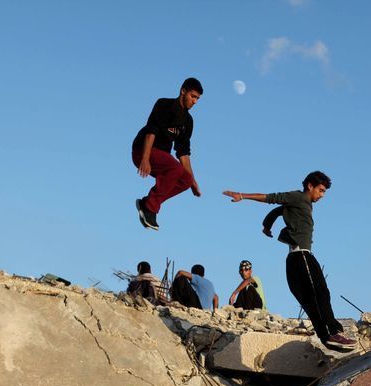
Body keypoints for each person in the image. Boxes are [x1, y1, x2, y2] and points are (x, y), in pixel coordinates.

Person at [222, 171, 356, 348]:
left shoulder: (304, 204)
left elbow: (278, 210)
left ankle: (327, 338)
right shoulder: (298, 197)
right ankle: (333, 333)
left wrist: (267, 225)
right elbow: (271, 198)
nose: (322, 195)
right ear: (310, 186)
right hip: (301, 256)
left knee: (312, 297)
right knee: (320, 293)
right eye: (321, 190)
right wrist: (242, 196)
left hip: (298, 258)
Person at [132, 77, 203, 230]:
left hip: (161, 158)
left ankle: (147, 203)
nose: (195, 101)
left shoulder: (188, 122)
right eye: (192, 96)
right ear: (183, 91)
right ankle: (150, 208)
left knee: (185, 179)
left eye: (197, 98)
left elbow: (183, 153)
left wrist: (193, 181)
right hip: (143, 149)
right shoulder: (165, 105)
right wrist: (145, 158)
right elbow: (151, 131)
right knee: (176, 169)